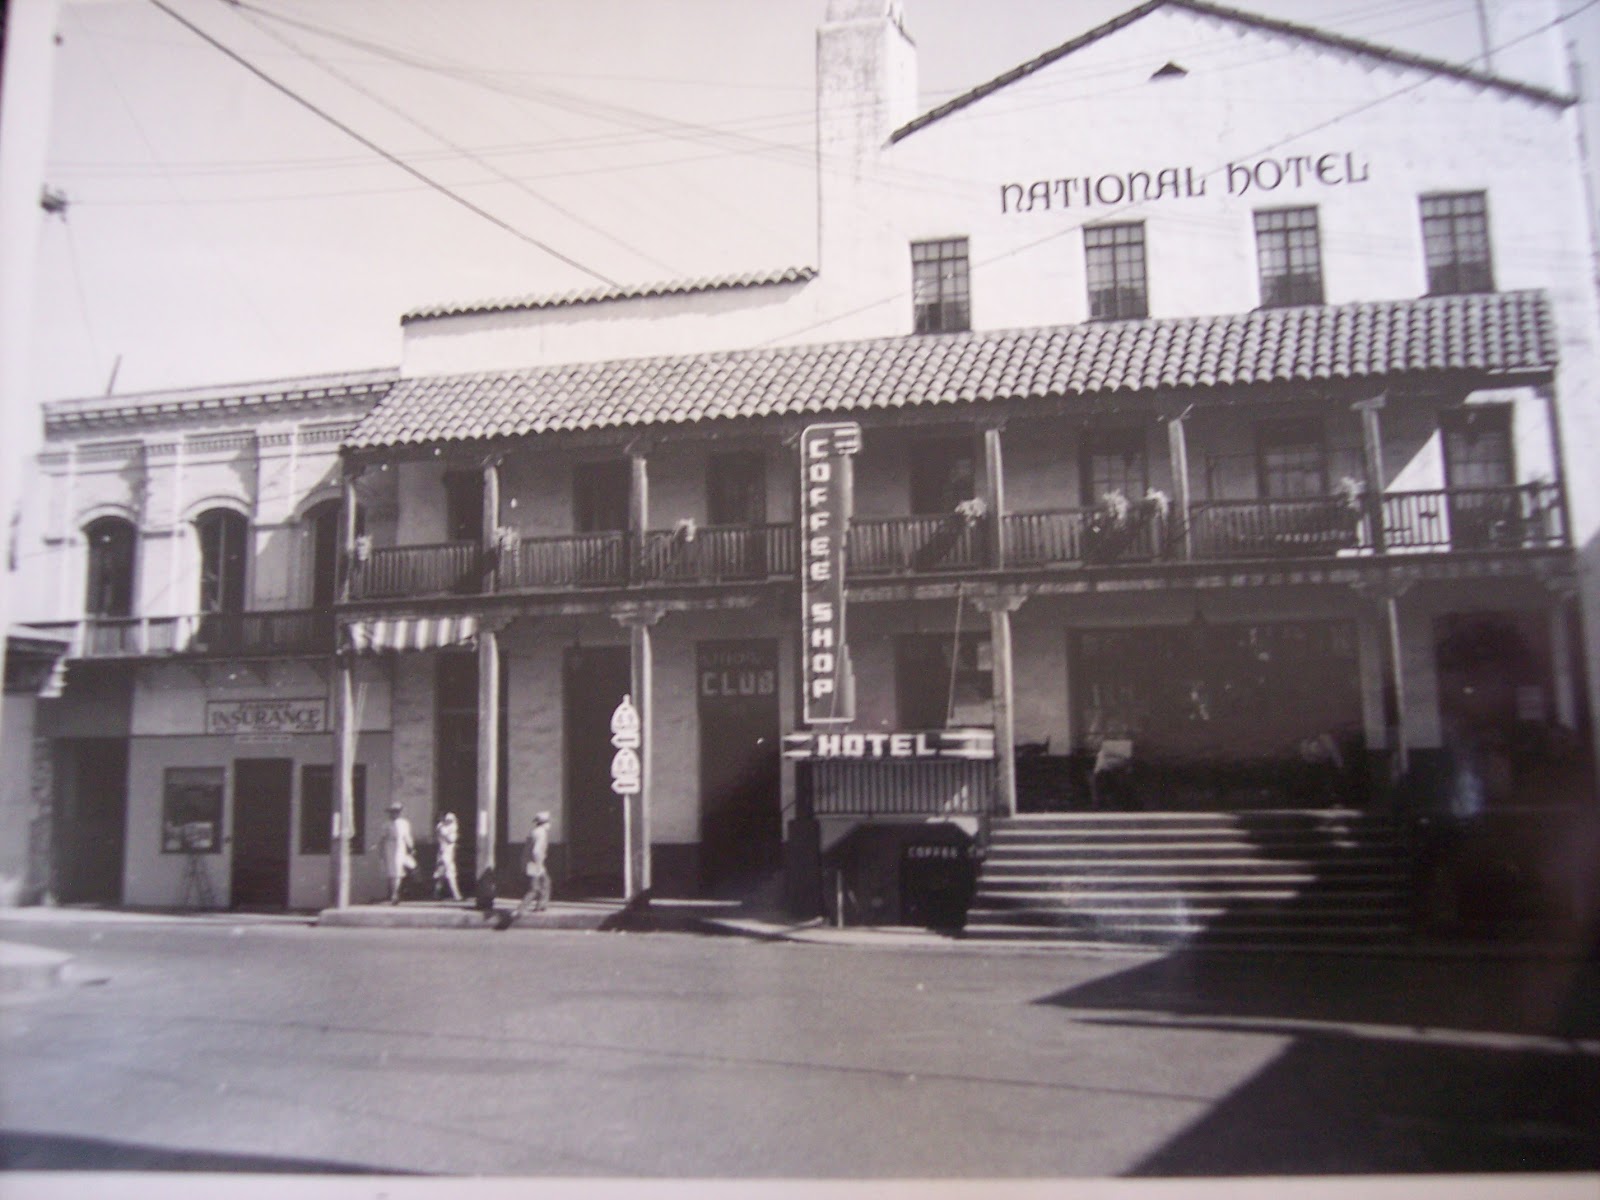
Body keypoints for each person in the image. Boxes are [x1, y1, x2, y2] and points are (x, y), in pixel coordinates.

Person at [514, 812, 551, 919]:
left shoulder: (534, 832)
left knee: (546, 882)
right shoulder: (541, 833)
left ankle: (541, 905)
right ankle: (520, 909)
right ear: (545, 823)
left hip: (529, 862)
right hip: (534, 864)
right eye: (548, 822)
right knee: (534, 888)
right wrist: (539, 866)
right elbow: (536, 851)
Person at [378, 801, 416, 905]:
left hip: (401, 847)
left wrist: (411, 847)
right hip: (390, 847)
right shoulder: (386, 824)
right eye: (393, 812)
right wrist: (381, 852)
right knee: (392, 871)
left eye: (397, 811)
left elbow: (407, 836)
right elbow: (382, 839)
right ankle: (394, 893)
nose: (395, 813)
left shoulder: (404, 823)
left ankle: (396, 893)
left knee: (399, 871)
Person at [433, 811, 462, 901]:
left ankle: (436, 894)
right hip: (444, 854)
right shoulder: (443, 829)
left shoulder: (447, 829)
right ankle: (457, 895)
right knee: (450, 875)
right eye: (448, 820)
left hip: (447, 854)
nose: (449, 822)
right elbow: (450, 840)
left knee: (441, 876)